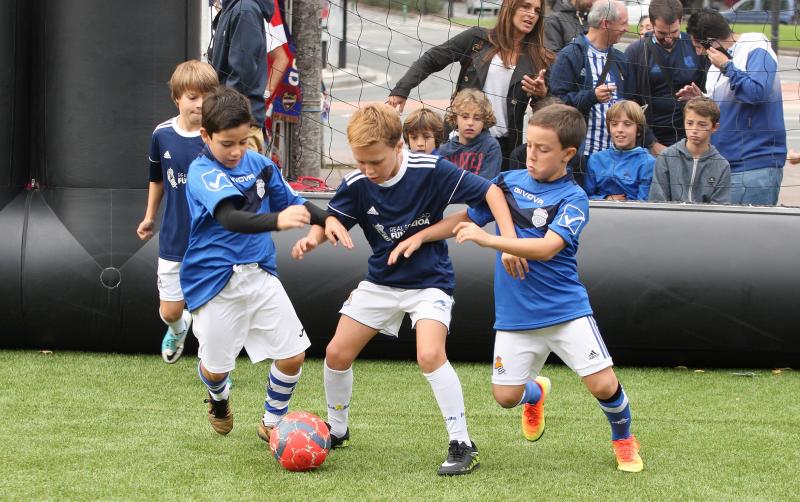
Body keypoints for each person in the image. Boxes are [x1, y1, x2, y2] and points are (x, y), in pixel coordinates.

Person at [399, 104, 644, 473]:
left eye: (543, 149)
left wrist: (492, 241)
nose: (532, 155)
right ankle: (537, 392)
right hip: (515, 316)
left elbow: (547, 248)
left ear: (568, 154)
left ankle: (623, 439)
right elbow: (464, 219)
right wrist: (419, 237)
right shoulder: (508, 183)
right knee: (505, 397)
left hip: (565, 312)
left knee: (603, 385)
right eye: (529, 146)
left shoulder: (574, 199)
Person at [291, 104, 519, 476]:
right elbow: (332, 217)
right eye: (360, 162)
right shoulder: (357, 183)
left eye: (375, 162)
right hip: (380, 283)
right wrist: (316, 236)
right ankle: (337, 428)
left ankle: (462, 441)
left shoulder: (429, 170)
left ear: (399, 146)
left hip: (430, 282)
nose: (367, 170)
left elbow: (492, 194)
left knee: (429, 355)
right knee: (335, 353)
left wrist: (508, 242)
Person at [180, 87, 349, 437]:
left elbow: (295, 201)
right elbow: (229, 217)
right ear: (205, 136)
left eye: (243, 141)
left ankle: (271, 424)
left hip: (259, 274)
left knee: (293, 355)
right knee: (215, 369)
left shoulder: (260, 165)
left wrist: (328, 219)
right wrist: (277, 221)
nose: (237, 151)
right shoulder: (202, 172)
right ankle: (218, 397)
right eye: (227, 143)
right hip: (214, 284)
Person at [387, 0, 551, 165]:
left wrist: (542, 95)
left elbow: (553, 110)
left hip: (503, 147)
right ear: (510, 8)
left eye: (537, 11)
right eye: (525, 7)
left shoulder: (540, 58)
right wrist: (402, 89)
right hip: (460, 140)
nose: (531, 14)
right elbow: (432, 59)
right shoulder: (477, 40)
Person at [136, 60, 219, 364]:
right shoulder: (162, 135)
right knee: (170, 310)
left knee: (211, 309)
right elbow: (156, 179)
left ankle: (215, 367)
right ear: (177, 98)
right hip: (174, 237)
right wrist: (149, 217)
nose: (200, 104)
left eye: (207, 97)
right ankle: (178, 327)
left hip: (211, 239)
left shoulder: (218, 137)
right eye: (192, 97)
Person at [678, 8, 786, 205]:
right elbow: (725, 111)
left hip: (755, 167)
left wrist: (727, 66)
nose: (697, 52)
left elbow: (756, 93)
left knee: (751, 235)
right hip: (723, 166)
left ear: (712, 43)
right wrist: (702, 99)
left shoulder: (755, 45)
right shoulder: (714, 68)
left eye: (698, 46)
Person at [549, 0, 634, 186]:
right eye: (623, 23)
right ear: (605, 24)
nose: (627, 28)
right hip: (580, 158)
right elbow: (556, 103)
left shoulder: (621, 59)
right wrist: (591, 97)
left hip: (614, 158)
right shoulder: (571, 55)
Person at [625, 0, 707, 153]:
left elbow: (709, 93)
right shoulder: (636, 52)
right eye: (662, 33)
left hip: (692, 140)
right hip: (649, 143)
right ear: (651, 23)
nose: (669, 38)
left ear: (681, 21)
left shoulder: (695, 46)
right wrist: (651, 143)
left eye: (674, 32)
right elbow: (629, 102)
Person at [208, 0, 274, 154]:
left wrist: (223, 117)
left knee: (242, 176)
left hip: (238, 126)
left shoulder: (244, 9)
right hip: (232, 120)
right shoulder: (234, 7)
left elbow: (242, 76)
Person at [648, 96, 730, 204]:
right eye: (690, 123)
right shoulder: (666, 157)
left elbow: (720, 210)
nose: (694, 130)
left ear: (714, 127)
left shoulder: (722, 165)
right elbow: (657, 201)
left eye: (702, 124)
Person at [584, 100, 655, 200]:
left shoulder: (648, 162)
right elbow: (585, 197)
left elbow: (644, 204)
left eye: (627, 124)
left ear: (638, 130)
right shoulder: (596, 159)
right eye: (614, 124)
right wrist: (606, 199)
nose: (619, 129)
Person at [438, 89, 503, 179]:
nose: (470, 123)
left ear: (484, 121)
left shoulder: (491, 147)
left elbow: (486, 185)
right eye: (465, 117)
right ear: (455, 118)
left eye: (477, 118)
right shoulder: (444, 150)